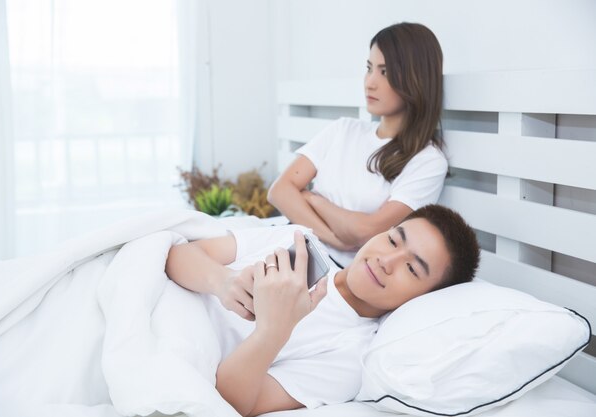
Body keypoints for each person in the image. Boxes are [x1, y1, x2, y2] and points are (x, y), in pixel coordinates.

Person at [164, 204, 480, 416]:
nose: (387, 260)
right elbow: (178, 255)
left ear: (421, 300)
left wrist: (273, 330)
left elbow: (234, 402)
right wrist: (225, 281)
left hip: (171, 355)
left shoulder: (351, 358)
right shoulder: (298, 241)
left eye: (412, 269)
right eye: (394, 240)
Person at [268, 22, 447, 267]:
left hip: (331, 268)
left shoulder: (427, 161)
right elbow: (279, 191)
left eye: (385, 72)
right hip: (287, 241)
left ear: (416, 78)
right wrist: (333, 236)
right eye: (369, 68)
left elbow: (366, 231)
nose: (369, 82)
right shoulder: (344, 129)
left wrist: (312, 199)